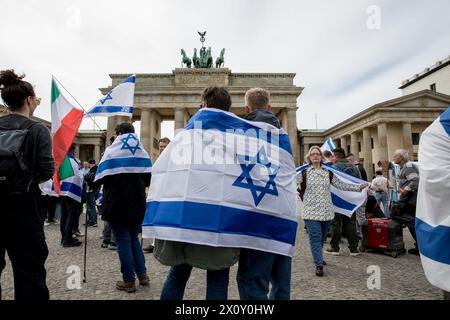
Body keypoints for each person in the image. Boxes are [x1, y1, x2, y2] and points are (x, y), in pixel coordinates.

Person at [157, 87, 238, 300]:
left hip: (186, 217)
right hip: (220, 219)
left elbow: (166, 174)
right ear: (228, 108)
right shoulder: (238, 138)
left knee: (178, 274)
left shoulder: (184, 137)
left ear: (203, 105)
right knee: (218, 277)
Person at [0, 69, 54, 300]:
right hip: (24, 206)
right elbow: (46, 170)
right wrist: (28, 180)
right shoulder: (37, 130)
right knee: (29, 272)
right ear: (30, 100)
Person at [236, 88, 290, 300]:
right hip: (285, 214)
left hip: (258, 216)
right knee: (281, 282)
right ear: (270, 107)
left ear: (246, 108)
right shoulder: (284, 135)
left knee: (252, 282)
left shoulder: (240, 134)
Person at [95, 122, 151, 293]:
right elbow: (149, 180)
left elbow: (97, 179)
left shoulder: (111, 152)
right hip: (137, 205)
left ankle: (128, 280)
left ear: (118, 133)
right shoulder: (142, 152)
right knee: (133, 239)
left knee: (123, 241)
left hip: (116, 205)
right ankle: (142, 275)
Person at [298, 146, 366, 276]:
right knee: (316, 238)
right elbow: (290, 182)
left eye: (318, 154)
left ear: (321, 157)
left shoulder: (328, 172)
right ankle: (319, 264)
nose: (315, 156)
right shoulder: (304, 173)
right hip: (310, 211)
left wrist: (358, 187)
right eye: (313, 154)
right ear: (309, 157)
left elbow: (341, 185)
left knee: (322, 237)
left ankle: (318, 256)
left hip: (327, 212)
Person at [325, 147, 364, 256]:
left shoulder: (333, 168)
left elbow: (328, 184)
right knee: (351, 223)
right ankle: (353, 249)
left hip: (337, 199)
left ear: (336, 156)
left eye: (333, 156)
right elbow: (359, 182)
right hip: (351, 199)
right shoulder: (354, 168)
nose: (332, 158)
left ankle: (335, 247)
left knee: (336, 223)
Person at [143, 137, 171, 254]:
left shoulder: (173, 158)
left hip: (169, 193)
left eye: (164, 146)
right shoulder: (159, 159)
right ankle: (155, 243)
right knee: (156, 216)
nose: (162, 149)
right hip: (159, 192)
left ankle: (167, 244)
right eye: (160, 147)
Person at [392, 149, 419, 255]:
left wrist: (405, 190)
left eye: (395, 156)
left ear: (401, 157)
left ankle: (420, 247)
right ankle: (419, 246)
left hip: (411, 199)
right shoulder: (403, 167)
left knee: (411, 222)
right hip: (408, 198)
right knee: (410, 222)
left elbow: (415, 180)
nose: (393, 157)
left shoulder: (408, 166)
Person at [59, 145, 84, 247]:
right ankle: (68, 239)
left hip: (62, 190)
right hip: (71, 191)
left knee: (64, 215)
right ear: (72, 150)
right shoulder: (72, 160)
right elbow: (78, 176)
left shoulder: (61, 160)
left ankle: (64, 237)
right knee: (71, 215)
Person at [84, 159, 99, 227]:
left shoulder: (94, 170)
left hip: (92, 190)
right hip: (90, 190)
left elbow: (90, 179)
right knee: (89, 206)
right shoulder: (93, 170)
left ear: (90, 164)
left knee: (92, 206)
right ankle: (90, 220)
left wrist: (86, 177)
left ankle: (94, 221)